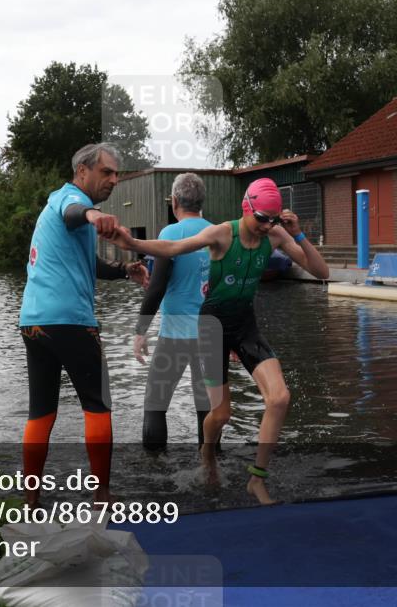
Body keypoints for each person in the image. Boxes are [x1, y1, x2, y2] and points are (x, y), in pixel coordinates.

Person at [108, 177, 329, 504]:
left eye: (273, 219)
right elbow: (172, 250)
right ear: (246, 208)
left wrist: (297, 233)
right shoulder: (220, 232)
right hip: (209, 328)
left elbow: (321, 271)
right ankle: (208, 457)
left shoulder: (275, 234)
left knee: (269, 399)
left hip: (226, 327)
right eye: (262, 218)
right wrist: (133, 244)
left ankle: (242, 476)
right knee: (216, 413)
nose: (267, 226)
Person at [18, 142, 149, 508]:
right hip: (71, 322)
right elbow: (74, 213)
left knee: (41, 411)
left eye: (116, 174)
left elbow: (88, 265)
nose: (114, 180)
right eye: (106, 172)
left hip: (33, 323)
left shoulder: (61, 207)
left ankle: (31, 500)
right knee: (98, 406)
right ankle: (102, 494)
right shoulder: (68, 198)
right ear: (82, 172)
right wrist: (93, 216)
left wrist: (125, 270)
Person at [133, 173, 213, 451]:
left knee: (155, 405)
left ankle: (155, 472)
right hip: (211, 337)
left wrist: (140, 332)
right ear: (201, 202)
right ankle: (210, 468)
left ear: (175, 202)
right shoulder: (218, 234)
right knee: (207, 409)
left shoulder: (170, 235)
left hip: (175, 337)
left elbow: (156, 289)